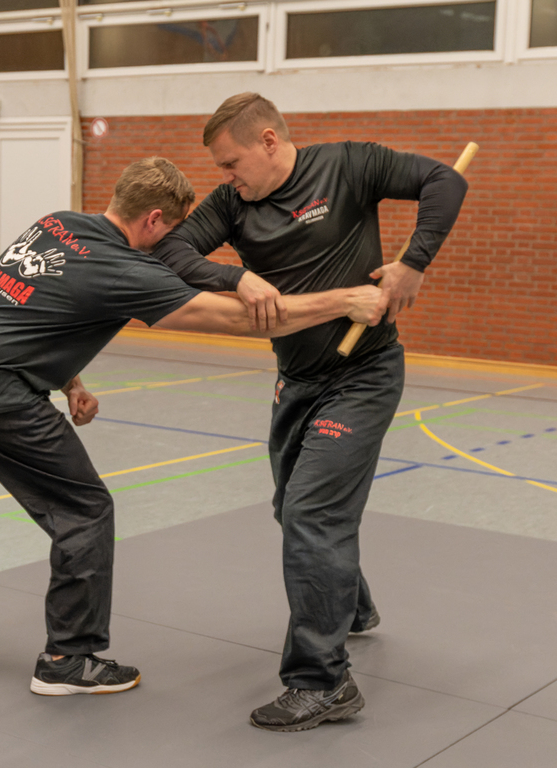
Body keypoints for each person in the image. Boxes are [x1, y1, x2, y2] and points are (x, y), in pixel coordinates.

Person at [0, 157, 386, 699]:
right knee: (84, 511)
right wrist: (344, 301)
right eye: (172, 230)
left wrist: (70, 381)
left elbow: (26, 310)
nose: (173, 243)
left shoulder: (57, 224)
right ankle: (68, 659)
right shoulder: (127, 270)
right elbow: (239, 319)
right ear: (153, 220)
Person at [152, 94, 469, 730]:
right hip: (295, 380)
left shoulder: (348, 165)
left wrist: (413, 263)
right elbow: (170, 250)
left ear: (269, 141)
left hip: (363, 375)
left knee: (312, 512)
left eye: (231, 162)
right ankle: (351, 608)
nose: (226, 176)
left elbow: (444, 179)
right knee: (289, 507)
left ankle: (321, 682)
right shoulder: (233, 205)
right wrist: (234, 277)